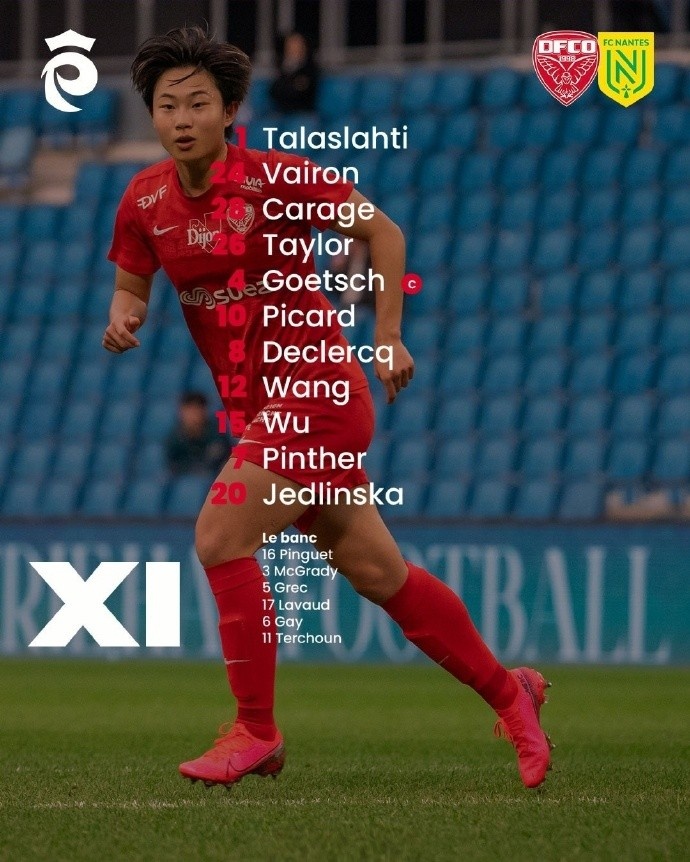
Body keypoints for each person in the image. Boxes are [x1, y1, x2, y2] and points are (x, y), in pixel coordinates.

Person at [103, 26, 553, 790]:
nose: (181, 118)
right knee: (381, 574)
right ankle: (514, 694)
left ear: (230, 110)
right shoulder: (144, 199)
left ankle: (256, 731)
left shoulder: (275, 177)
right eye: (167, 105)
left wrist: (387, 336)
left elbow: (384, 231)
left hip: (320, 391)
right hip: (260, 411)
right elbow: (131, 282)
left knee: (219, 534)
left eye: (199, 103)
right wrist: (125, 316)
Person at [165, 390, 228, 475]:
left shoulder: (217, 433)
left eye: (196, 410)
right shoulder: (175, 438)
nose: (193, 415)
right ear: (181, 412)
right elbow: (172, 465)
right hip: (185, 478)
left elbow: (224, 457)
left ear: (204, 411)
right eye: (189, 410)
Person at [269, 31, 319, 113]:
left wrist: (287, 88)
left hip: (302, 113)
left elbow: (302, 94)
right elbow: (273, 91)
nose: (293, 49)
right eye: (290, 46)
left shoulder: (310, 69)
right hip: (282, 112)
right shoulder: (282, 68)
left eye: (296, 46)